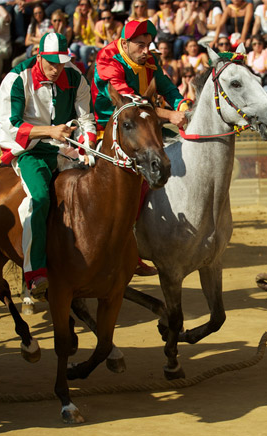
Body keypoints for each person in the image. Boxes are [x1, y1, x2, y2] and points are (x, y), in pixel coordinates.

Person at [0, 32, 97, 297]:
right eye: (51, 63)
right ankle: (34, 273)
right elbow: (11, 126)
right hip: (29, 151)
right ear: (39, 56)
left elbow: (86, 120)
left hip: (64, 149)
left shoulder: (76, 78)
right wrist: (50, 131)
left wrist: (87, 146)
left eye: (61, 63)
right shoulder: (17, 79)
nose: (56, 69)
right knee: (39, 198)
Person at [92, 20, 187, 275]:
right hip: (107, 129)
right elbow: (129, 106)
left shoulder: (150, 63)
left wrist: (183, 106)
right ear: (124, 44)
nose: (146, 50)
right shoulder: (107, 61)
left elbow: (167, 87)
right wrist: (168, 115)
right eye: (140, 45)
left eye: (148, 45)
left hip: (141, 126)